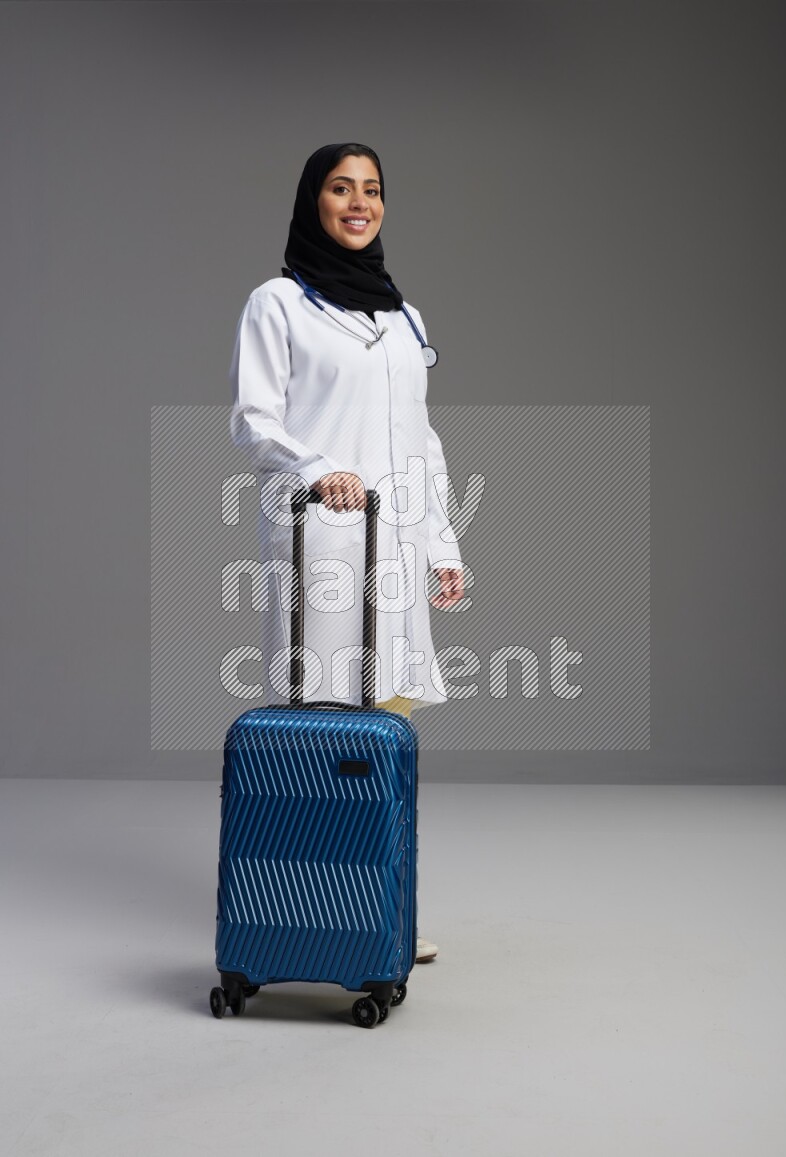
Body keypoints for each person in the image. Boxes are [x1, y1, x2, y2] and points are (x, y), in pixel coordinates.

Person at [228, 142, 464, 963]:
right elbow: (254, 419)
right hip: (321, 541)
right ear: (313, 200)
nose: (358, 203)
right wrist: (322, 468)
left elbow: (421, 440)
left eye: (371, 190)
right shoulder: (278, 304)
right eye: (340, 188)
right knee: (323, 727)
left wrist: (441, 541)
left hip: (395, 538)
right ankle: (304, 914)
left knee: (387, 721)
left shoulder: (403, 316)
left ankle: (377, 913)